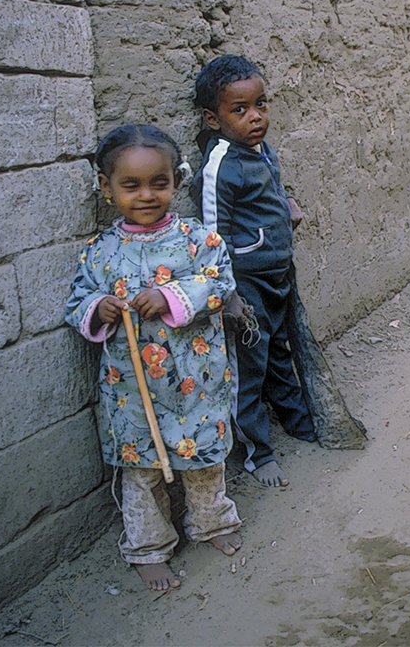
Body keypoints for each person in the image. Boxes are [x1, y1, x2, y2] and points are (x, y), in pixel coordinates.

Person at [65, 124, 245, 591]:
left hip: (196, 382)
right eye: (131, 185)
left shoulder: (197, 240)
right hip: (131, 391)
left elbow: (220, 282)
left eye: (158, 183)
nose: (146, 195)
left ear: (176, 181)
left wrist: (172, 297)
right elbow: (77, 301)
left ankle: (212, 523)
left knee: (203, 458)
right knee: (139, 468)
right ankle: (147, 546)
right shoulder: (100, 252)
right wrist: (97, 309)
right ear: (107, 189)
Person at [191, 54, 316, 488]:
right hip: (245, 283)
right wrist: (226, 293)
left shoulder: (262, 150)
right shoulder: (221, 165)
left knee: (279, 350)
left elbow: (269, 195)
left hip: (276, 274)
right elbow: (212, 233)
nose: (255, 116)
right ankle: (257, 454)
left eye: (261, 104)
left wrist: (287, 208)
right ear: (213, 118)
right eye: (239, 110)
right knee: (248, 365)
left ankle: (300, 422)